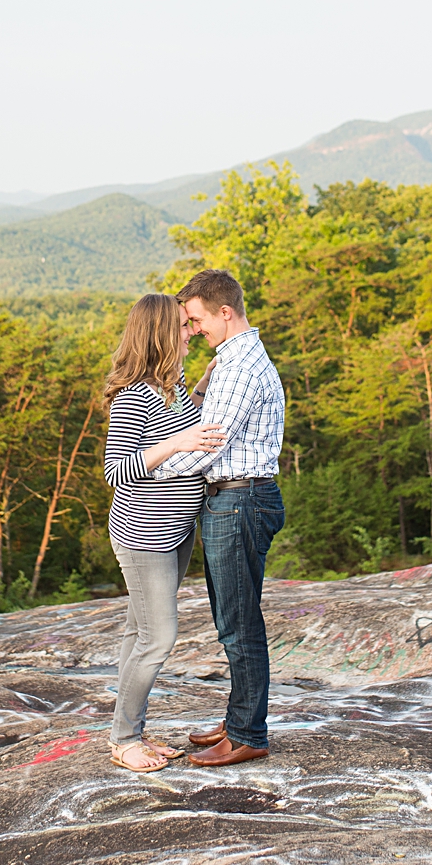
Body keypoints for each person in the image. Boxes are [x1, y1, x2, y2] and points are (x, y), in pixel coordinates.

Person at [155, 268, 286, 767]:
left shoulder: (240, 368)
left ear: (224, 312)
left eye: (195, 320)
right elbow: (202, 420)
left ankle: (248, 732)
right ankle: (239, 717)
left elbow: (209, 445)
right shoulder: (234, 360)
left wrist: (146, 470)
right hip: (235, 499)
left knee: (238, 623)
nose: (191, 330)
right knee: (232, 617)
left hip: (239, 500)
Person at [100, 293, 228, 773]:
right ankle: (124, 739)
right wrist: (176, 443)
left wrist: (205, 386)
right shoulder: (135, 393)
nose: (190, 331)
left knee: (139, 633)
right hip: (144, 537)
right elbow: (117, 471)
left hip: (177, 532)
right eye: (181, 326)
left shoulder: (168, 388)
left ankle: (131, 729)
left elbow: (189, 427)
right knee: (158, 639)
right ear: (158, 333)